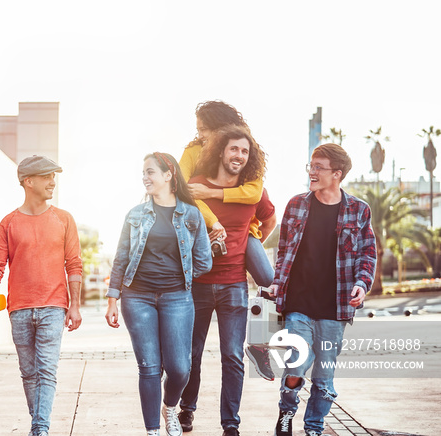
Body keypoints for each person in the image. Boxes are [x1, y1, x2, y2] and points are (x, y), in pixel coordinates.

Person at [269, 143, 376, 436]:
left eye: (319, 167)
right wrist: (278, 281)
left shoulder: (358, 210)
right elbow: (283, 251)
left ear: (337, 174)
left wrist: (361, 284)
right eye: (311, 166)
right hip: (298, 305)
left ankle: (314, 426)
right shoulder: (296, 205)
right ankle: (287, 413)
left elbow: (367, 253)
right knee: (295, 368)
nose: (312, 172)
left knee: (324, 377)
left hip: (335, 307)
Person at [179, 125, 277, 436]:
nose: (239, 155)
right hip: (199, 284)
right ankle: (187, 408)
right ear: (221, 151)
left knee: (233, 356)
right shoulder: (196, 185)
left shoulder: (251, 190)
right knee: (191, 354)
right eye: (234, 149)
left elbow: (270, 216)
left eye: (245, 151)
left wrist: (252, 239)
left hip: (235, 284)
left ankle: (230, 424)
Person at [105, 152, 212, 436]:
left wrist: (180, 274)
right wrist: (112, 298)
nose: (145, 177)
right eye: (143, 173)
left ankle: (169, 406)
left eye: (150, 172)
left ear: (169, 175)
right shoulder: (136, 214)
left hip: (177, 298)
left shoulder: (191, 214)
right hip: (136, 297)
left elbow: (203, 260)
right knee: (149, 367)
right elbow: (121, 258)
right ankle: (153, 430)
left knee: (180, 369)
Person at [0, 155, 82, 436]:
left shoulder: (64, 219)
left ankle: (40, 428)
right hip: (20, 309)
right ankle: (39, 424)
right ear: (29, 181)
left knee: (46, 371)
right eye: (47, 176)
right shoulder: (9, 223)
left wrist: (74, 306)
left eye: (53, 176)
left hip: (54, 306)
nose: (53, 182)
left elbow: (74, 264)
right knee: (29, 373)